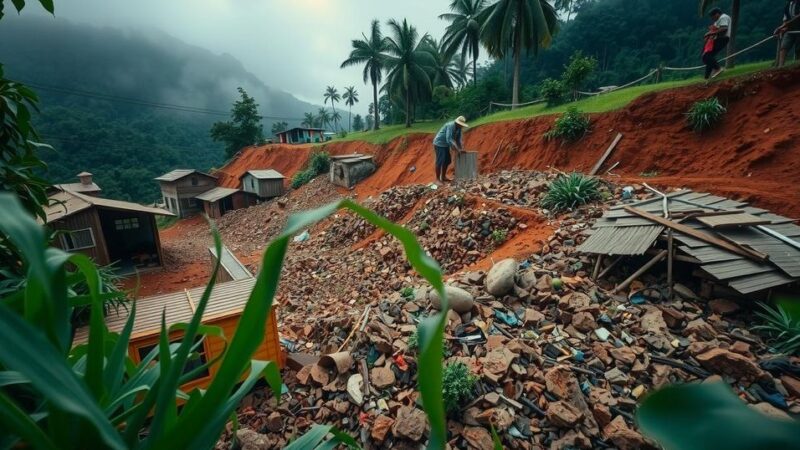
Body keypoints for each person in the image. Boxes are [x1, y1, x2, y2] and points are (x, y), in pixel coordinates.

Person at [432, 116, 469, 182]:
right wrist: (457, 149)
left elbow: (458, 139)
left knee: (447, 160)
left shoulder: (459, 128)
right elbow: (449, 139)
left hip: (446, 145)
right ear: (457, 123)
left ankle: (443, 177)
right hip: (439, 143)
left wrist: (461, 148)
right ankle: (437, 179)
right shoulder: (450, 126)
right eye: (461, 125)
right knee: (440, 161)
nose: (461, 126)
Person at [703, 7, 731, 80]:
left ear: (717, 14)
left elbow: (724, 28)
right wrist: (708, 34)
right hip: (718, 39)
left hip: (722, 39)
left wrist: (710, 34)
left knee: (706, 56)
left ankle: (718, 68)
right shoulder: (718, 20)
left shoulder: (723, 17)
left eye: (712, 16)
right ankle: (707, 78)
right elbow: (715, 31)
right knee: (708, 57)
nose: (712, 19)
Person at [776, 0, 800, 67]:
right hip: (790, 30)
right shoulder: (788, 5)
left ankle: (797, 66)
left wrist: (783, 26)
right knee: (784, 47)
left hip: (799, 30)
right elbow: (785, 19)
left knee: (798, 49)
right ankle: (780, 67)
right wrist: (783, 28)